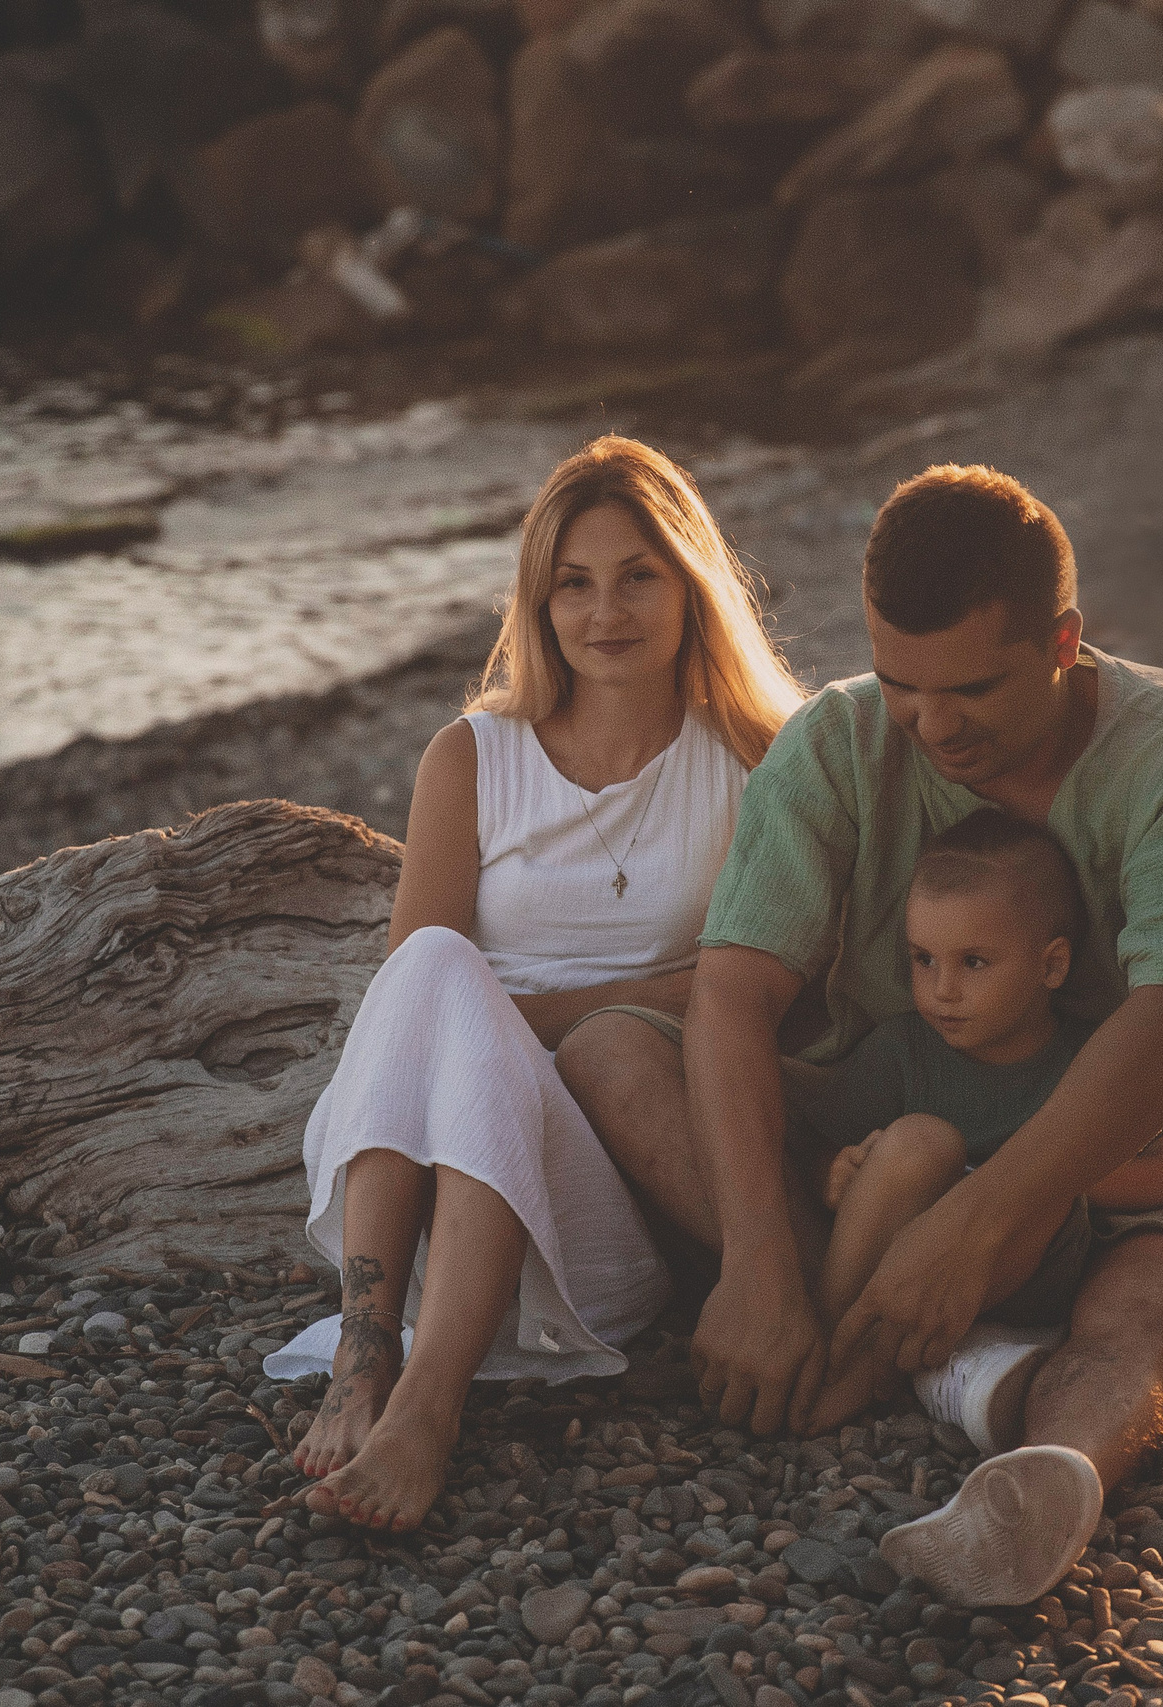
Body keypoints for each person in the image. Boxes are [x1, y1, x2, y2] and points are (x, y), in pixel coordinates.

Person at [558, 464, 1163, 1608]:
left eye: (970, 688)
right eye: (899, 683)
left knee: (1157, 1294)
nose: (931, 724)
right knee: (613, 1049)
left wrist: (979, 1214)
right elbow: (731, 993)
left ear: (1064, 639)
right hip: (883, 1109)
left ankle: (1039, 1486)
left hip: (1128, 1149)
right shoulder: (835, 745)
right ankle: (860, 1338)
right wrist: (758, 1258)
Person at [261, 434, 805, 1532]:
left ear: (690, 586)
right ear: (539, 603)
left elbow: (771, 987)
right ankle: (367, 1362)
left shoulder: (749, 762)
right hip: (429, 1196)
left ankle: (427, 1407)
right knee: (433, 970)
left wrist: (521, 1021)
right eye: (573, 584)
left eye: (637, 576)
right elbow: (411, 994)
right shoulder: (472, 757)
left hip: (604, 1215)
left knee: (454, 986)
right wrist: (659, 983)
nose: (606, 611)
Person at [799, 809, 1163, 1437]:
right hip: (896, 1272)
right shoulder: (900, 1051)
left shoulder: (1088, 1062)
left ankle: (854, 1372)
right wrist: (836, 1170)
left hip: (1027, 1268)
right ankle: (836, 1342)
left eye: (973, 963)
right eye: (922, 959)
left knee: (975, 1172)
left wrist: (1034, 1179)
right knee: (917, 1144)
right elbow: (822, 1150)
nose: (942, 990)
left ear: (1051, 967)